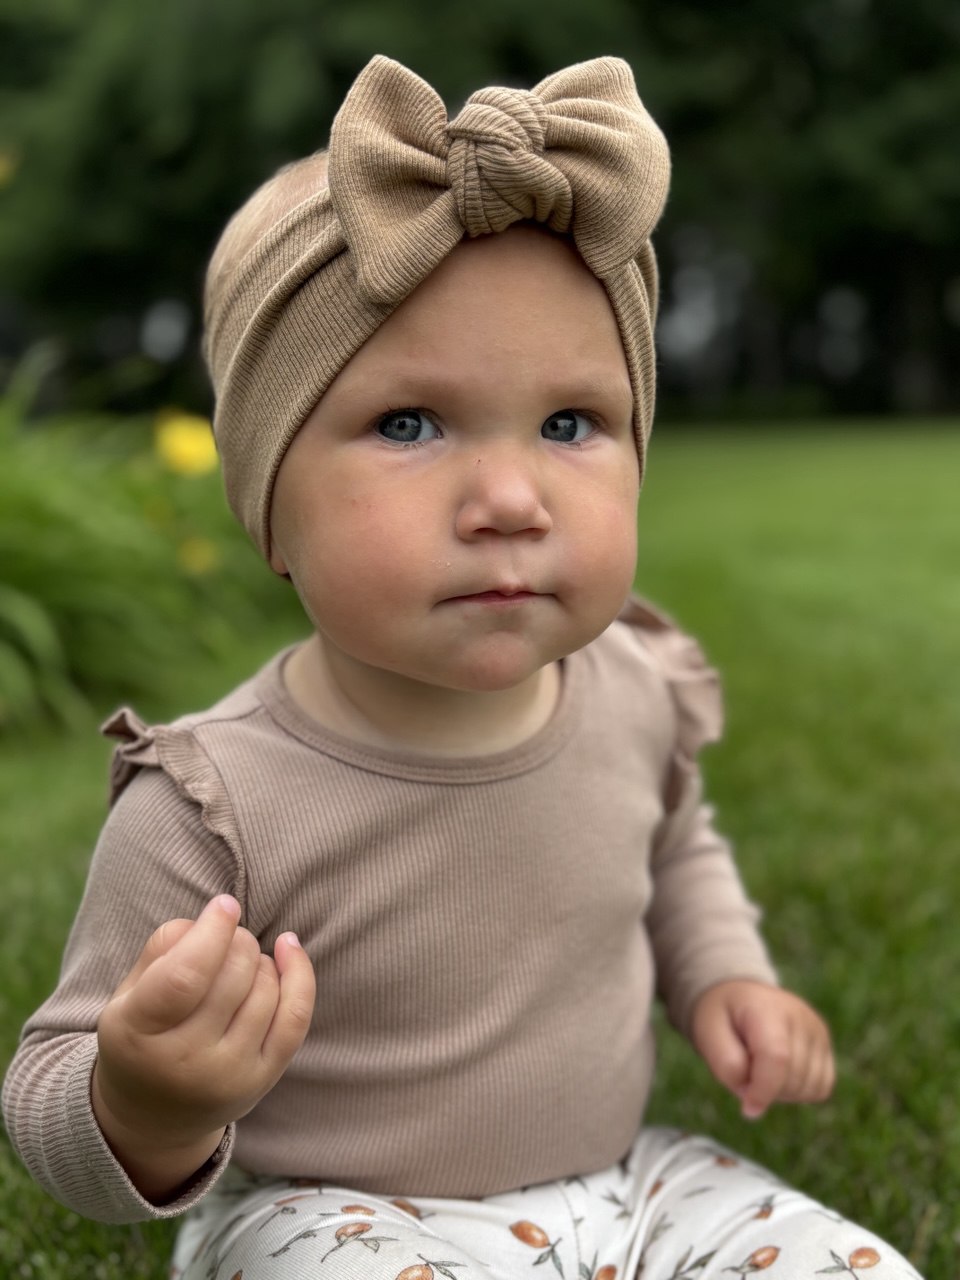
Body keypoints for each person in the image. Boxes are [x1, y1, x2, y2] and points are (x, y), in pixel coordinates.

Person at [3, 56, 921, 1280]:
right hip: (336, 1211)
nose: (507, 497)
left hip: (624, 1178)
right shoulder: (213, 801)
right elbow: (48, 1089)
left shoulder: (633, 694)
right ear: (270, 507)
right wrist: (148, 1099)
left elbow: (672, 842)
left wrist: (726, 979)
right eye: (407, 424)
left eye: (569, 424)